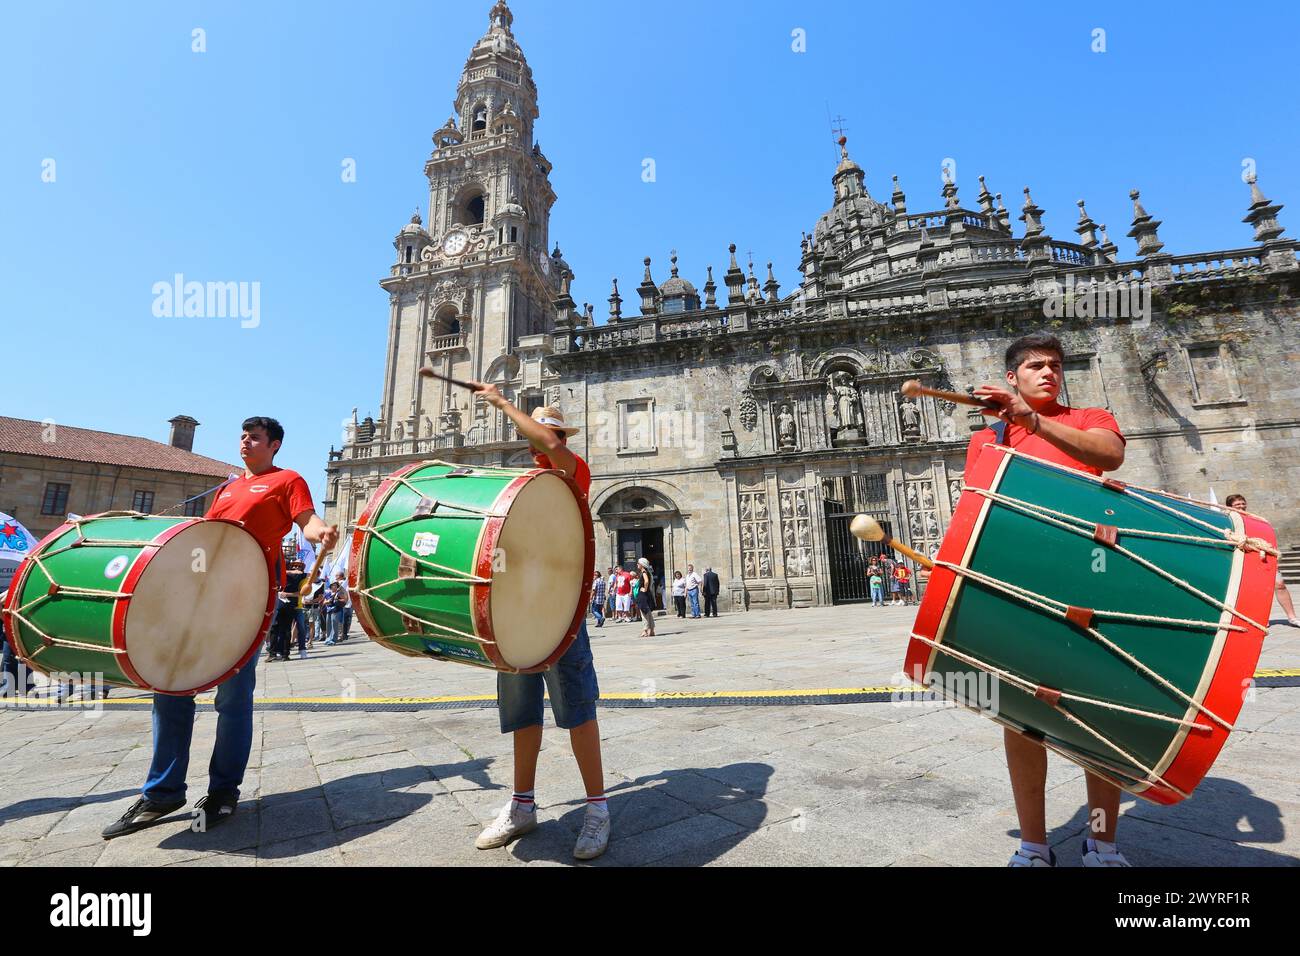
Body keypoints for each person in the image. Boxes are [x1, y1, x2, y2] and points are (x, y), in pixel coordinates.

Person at [102, 416, 337, 839]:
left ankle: (224, 791)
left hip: (245, 599)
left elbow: (307, 519)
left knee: (233, 696)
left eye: (256, 437)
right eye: (243, 436)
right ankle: (163, 791)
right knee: (171, 685)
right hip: (201, 595)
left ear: (275, 445)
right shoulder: (228, 487)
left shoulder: (288, 480)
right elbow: (206, 537)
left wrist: (322, 533)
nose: (246, 442)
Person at [967, 332, 1129, 868]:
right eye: (1035, 365)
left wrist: (1033, 421)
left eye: (1055, 365)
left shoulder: (1089, 419)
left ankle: (1102, 841)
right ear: (1010, 376)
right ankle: (1034, 844)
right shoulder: (987, 438)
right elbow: (980, 512)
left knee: (1098, 715)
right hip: (1024, 584)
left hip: (1093, 576)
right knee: (1022, 719)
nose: (1048, 373)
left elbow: (1110, 457)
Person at [466, 389, 610, 860]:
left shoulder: (571, 472)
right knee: (522, 714)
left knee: (577, 710)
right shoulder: (522, 484)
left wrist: (504, 406)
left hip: (561, 612)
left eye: (549, 434)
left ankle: (597, 809)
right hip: (516, 611)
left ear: (560, 437)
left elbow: (550, 448)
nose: (539, 443)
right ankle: (522, 805)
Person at [1225, 494, 1299, 626]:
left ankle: (1292, 617)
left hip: (1263, 555)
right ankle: (1260, 619)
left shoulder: (1256, 519)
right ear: (1229, 507)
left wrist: (1273, 556)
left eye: (1243, 503)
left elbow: (1267, 537)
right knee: (1253, 590)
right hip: (1244, 557)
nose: (1241, 506)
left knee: (1279, 584)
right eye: (1237, 505)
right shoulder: (1227, 521)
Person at [268, 559, 308, 661]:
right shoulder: (297, 575)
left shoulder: (279, 575)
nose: (296, 568)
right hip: (288, 605)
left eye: (298, 566)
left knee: (277, 629)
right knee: (284, 629)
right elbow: (302, 573)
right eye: (294, 566)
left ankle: (275, 653)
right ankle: (283, 654)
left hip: (283, 605)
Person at [636, 557, 656, 637]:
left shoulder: (644, 572)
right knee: (648, 613)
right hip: (647, 594)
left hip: (643, 595)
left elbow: (646, 581)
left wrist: (644, 589)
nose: (637, 564)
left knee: (644, 613)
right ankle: (651, 630)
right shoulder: (647, 572)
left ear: (642, 564)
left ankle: (645, 630)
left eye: (638, 563)